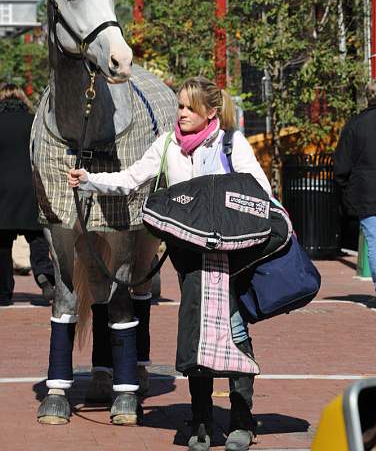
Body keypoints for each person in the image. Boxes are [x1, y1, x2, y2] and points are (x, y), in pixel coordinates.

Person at [68, 76, 272, 451]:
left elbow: (260, 191)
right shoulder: (167, 146)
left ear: (211, 112)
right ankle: (202, 420)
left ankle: (242, 421)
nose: (181, 114)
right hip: (189, 260)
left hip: (231, 257)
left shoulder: (232, 143)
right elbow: (131, 180)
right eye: (179, 106)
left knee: (234, 328)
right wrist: (89, 181)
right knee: (195, 335)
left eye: (189, 108)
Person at [334, 78, 376, 310]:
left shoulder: (355, 125)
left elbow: (342, 164)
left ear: (368, 96)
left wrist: (344, 189)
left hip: (368, 192)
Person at [0, 84, 55, 305]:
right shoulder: (34, 122)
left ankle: (3, 293)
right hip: (30, 189)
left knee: (2, 247)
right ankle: (45, 277)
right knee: (38, 238)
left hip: (2, 193)